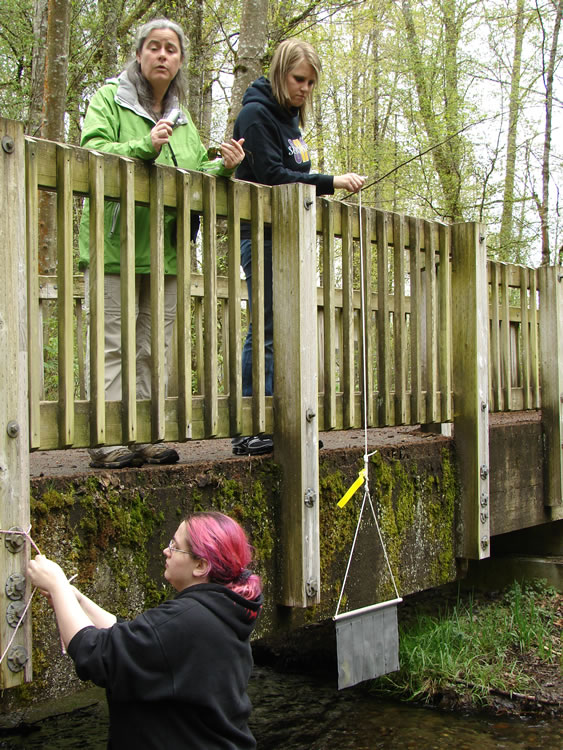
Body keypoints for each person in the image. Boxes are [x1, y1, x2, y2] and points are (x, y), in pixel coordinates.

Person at [78, 18, 245, 468]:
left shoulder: (182, 117)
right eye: (154, 47)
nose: (163, 55)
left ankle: (146, 434)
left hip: (167, 254)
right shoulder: (109, 99)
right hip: (115, 247)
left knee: (154, 346)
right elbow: (90, 151)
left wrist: (223, 168)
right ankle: (108, 438)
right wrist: (142, 145)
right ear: (139, 54)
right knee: (112, 342)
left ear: (180, 61)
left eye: (171, 49)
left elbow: (189, 176)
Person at [27, 511, 263, 749]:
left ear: (201, 566)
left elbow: (94, 654)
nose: (166, 551)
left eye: (175, 546)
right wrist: (74, 600)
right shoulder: (220, 610)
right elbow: (136, 638)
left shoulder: (187, 620)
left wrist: (57, 586)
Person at [232, 39, 365, 456]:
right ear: (280, 74)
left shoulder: (292, 122)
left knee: (290, 330)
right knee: (267, 328)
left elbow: (293, 169)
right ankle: (254, 424)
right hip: (263, 234)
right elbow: (272, 174)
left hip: (292, 237)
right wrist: (331, 181)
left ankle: (284, 421)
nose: (304, 88)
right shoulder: (255, 114)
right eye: (298, 79)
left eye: (310, 82)